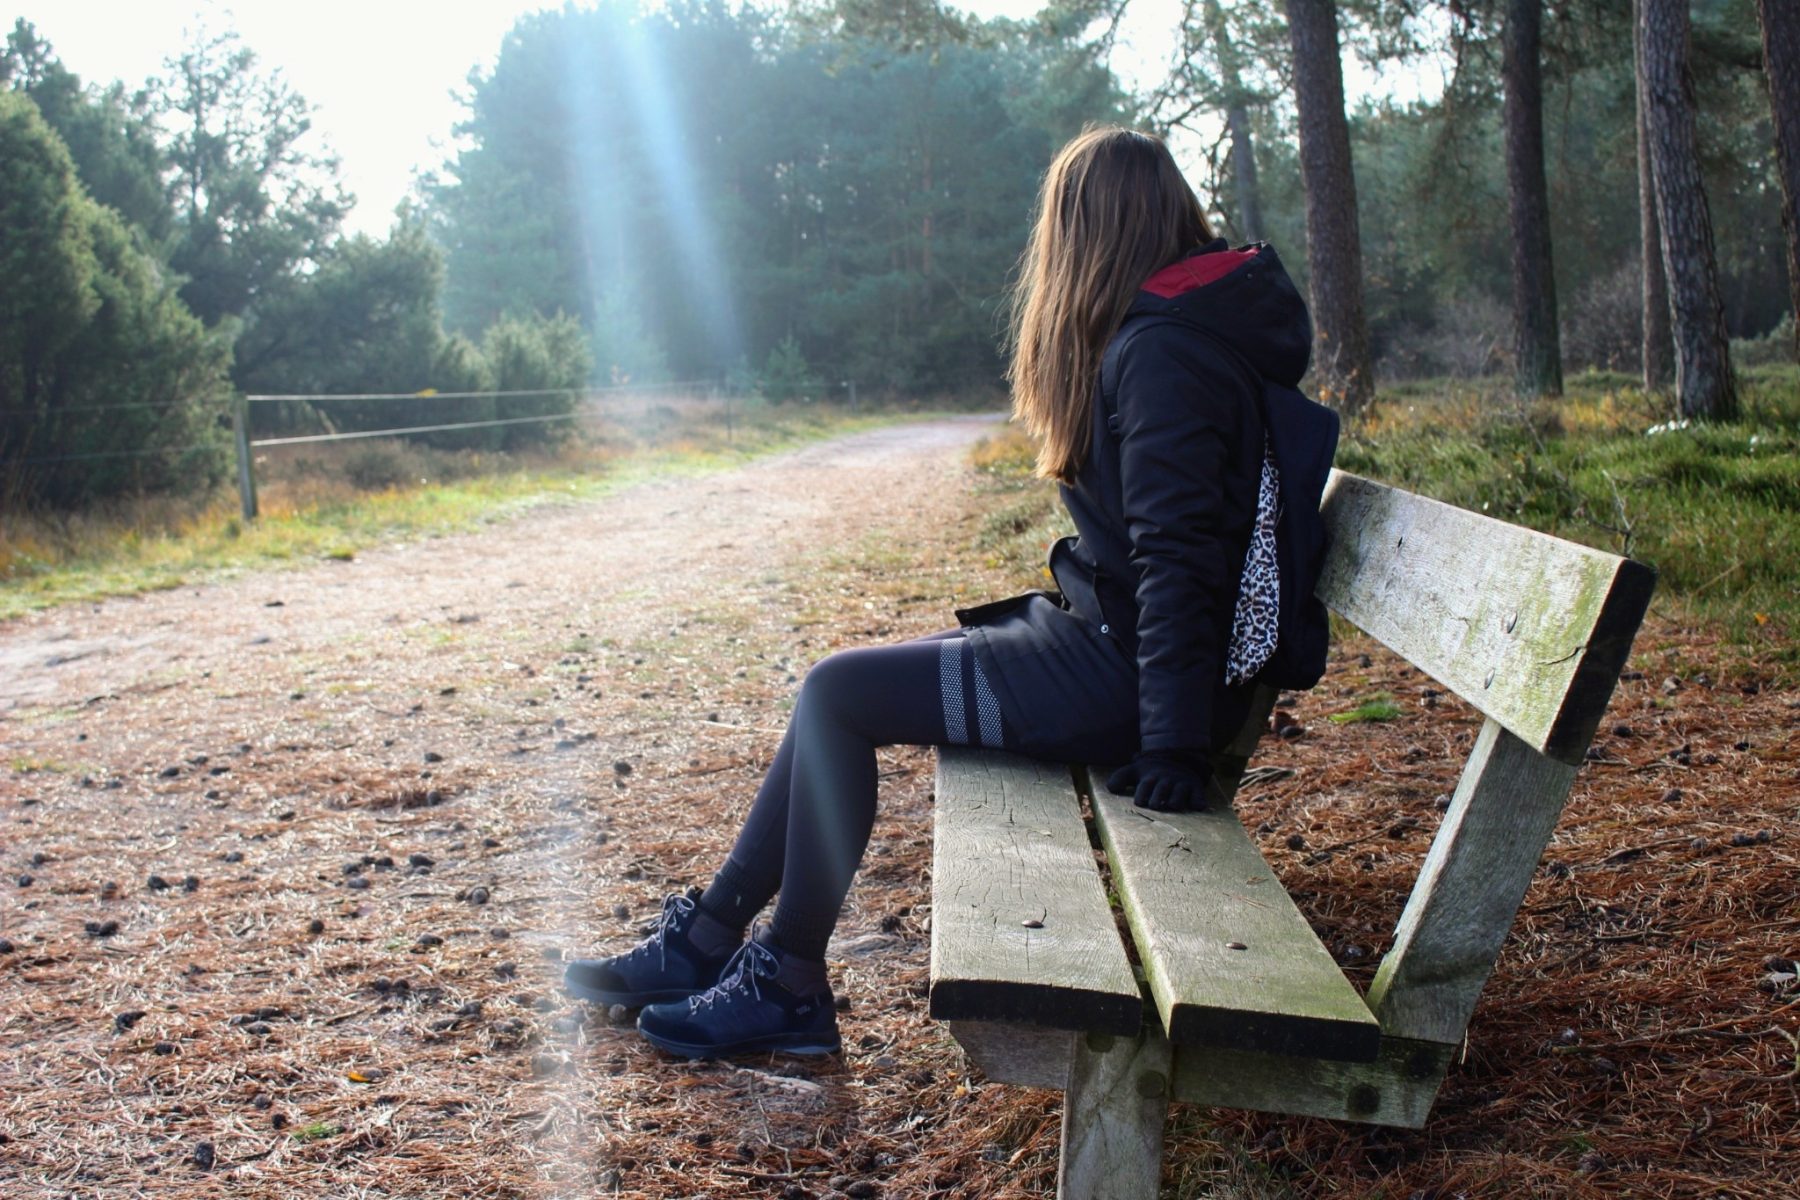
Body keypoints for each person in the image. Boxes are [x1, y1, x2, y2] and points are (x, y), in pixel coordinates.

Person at [563, 125, 1314, 1059]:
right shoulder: (1166, 333)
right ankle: (711, 939)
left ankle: (787, 980)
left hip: (1127, 678)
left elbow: (1178, 562)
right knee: (834, 687)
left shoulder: (1162, 356)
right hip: (1103, 643)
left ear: (1086, 233)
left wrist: (1171, 741)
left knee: (840, 696)